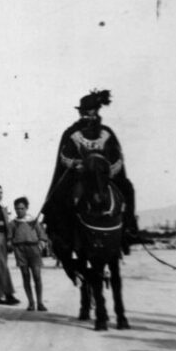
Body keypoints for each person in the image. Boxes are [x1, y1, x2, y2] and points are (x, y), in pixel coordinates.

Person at [43, 89, 139, 274]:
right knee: (61, 195)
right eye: (84, 110)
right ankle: (62, 233)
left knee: (127, 188)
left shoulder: (106, 133)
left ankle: (128, 228)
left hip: (104, 177)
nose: (87, 113)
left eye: (91, 109)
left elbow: (117, 156)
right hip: (80, 176)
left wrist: (108, 169)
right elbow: (65, 156)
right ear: (80, 112)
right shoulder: (72, 133)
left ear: (97, 110)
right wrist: (77, 164)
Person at [9, 197, 48, 312]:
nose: (19, 211)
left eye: (22, 208)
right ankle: (31, 303)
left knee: (37, 276)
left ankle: (40, 303)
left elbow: (42, 235)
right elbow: (9, 237)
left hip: (33, 249)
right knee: (25, 276)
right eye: (17, 209)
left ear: (26, 208)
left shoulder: (33, 221)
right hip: (20, 250)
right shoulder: (13, 223)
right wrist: (11, 244)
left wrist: (41, 243)